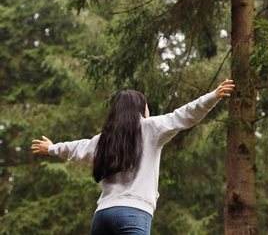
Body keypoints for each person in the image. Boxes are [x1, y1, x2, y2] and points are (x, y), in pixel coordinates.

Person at [31, 79, 235, 235]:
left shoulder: (104, 139)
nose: (149, 111)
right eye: (146, 107)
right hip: (133, 213)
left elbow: (77, 148)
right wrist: (212, 97)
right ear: (140, 108)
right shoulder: (150, 128)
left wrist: (52, 148)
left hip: (102, 216)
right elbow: (182, 116)